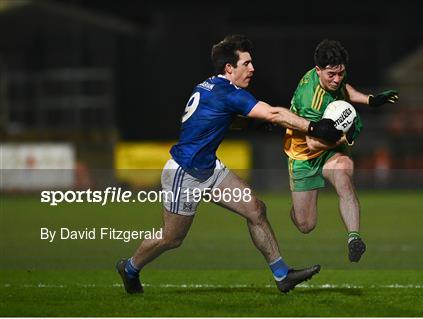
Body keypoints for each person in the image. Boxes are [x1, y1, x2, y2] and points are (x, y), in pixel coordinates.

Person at [116, 35, 343, 294]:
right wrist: (314, 127)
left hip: (209, 169)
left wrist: (251, 122)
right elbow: (274, 112)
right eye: (246, 63)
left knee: (256, 209)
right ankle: (130, 268)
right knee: (172, 238)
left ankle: (282, 275)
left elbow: (217, 118)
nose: (252, 68)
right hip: (185, 172)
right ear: (229, 68)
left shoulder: (210, 86)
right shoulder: (227, 92)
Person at [283, 39, 398, 262]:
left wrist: (371, 100)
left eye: (341, 73)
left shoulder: (334, 76)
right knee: (306, 224)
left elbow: (345, 91)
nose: (337, 79)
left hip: (329, 148)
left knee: (344, 172)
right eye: (331, 75)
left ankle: (354, 238)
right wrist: (346, 136)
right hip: (304, 154)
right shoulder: (310, 100)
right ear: (318, 71)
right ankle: (297, 210)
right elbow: (313, 144)